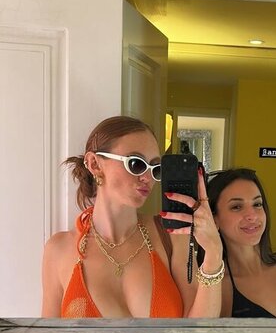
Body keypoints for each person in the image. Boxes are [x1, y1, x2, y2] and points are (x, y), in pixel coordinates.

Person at [41, 116, 223, 318]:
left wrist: (214, 253)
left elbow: (198, 329)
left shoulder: (171, 235)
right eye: (136, 164)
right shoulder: (58, 250)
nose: (147, 178)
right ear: (94, 164)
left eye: (155, 169)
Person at [205, 168, 276, 319]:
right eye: (237, 207)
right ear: (214, 220)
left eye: (257, 204)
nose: (252, 215)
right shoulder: (217, 289)